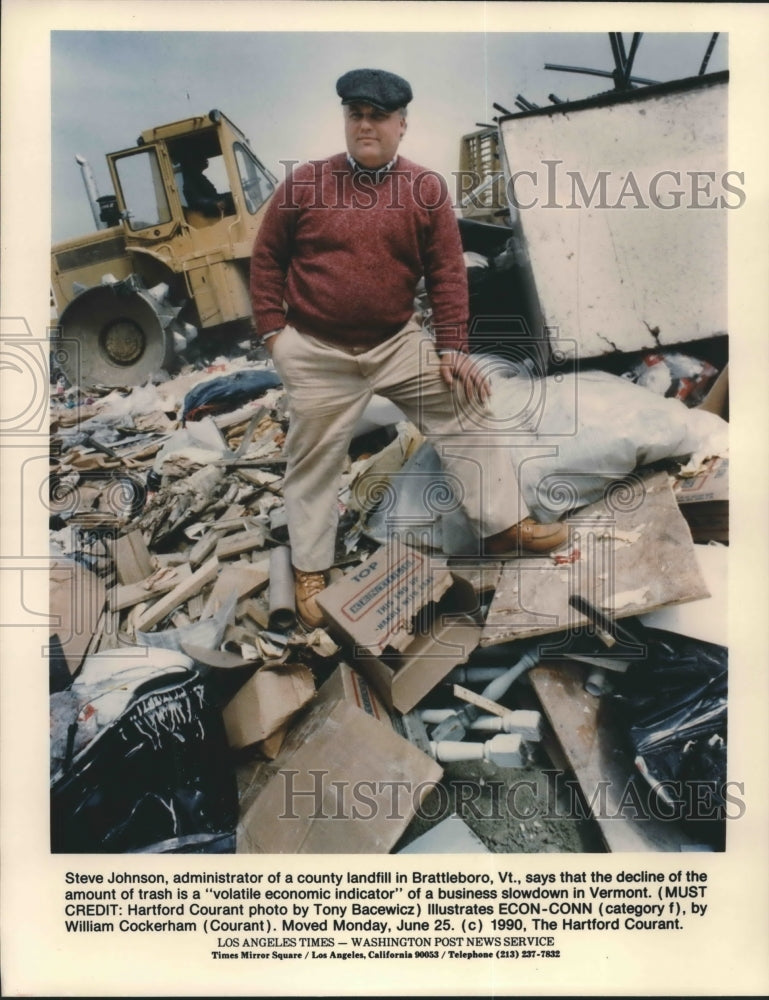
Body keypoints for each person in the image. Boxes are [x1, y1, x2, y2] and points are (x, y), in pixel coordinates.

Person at [250, 68, 566, 628]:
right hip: (319, 350)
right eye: (356, 114)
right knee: (313, 462)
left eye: (378, 116)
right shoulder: (304, 184)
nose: (365, 125)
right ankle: (311, 569)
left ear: (402, 124)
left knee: (466, 407)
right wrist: (275, 333)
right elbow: (267, 257)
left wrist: (451, 349)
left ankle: (503, 526)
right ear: (346, 120)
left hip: (396, 342)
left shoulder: (425, 190)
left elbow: (448, 272)